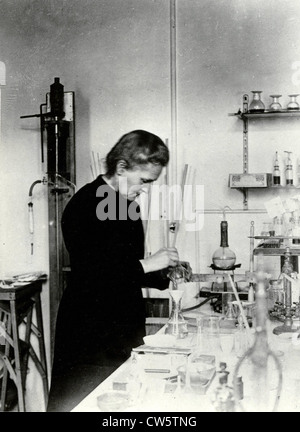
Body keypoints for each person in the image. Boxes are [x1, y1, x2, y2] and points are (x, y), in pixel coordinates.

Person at [47, 129, 180, 411]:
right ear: (121, 167)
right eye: (143, 180)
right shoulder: (84, 205)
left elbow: (126, 269)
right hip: (89, 337)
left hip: (124, 330)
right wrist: (149, 263)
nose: (145, 188)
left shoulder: (127, 207)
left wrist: (163, 274)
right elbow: (94, 276)